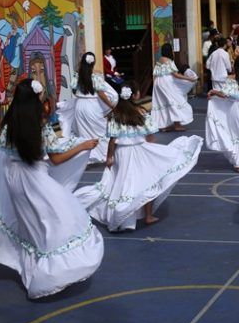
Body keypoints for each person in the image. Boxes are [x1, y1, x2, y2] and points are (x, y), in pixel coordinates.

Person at [0, 79, 104, 299]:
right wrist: (83, 146)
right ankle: (53, 271)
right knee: (59, 217)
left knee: (31, 225)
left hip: (14, 180)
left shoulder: (8, 127)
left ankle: (35, 271)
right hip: (34, 179)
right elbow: (56, 159)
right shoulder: (40, 127)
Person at [76, 83, 203, 231]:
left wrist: (109, 157)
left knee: (123, 182)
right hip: (140, 151)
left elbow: (112, 140)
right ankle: (147, 215)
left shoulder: (115, 114)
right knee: (147, 181)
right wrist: (151, 148)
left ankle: (122, 216)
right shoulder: (141, 112)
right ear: (135, 95)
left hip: (121, 153)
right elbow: (150, 136)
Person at [57, 52, 116, 164]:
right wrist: (111, 105)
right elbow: (101, 93)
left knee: (84, 132)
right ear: (93, 63)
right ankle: (100, 154)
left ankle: (87, 156)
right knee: (99, 130)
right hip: (93, 105)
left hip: (80, 105)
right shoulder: (96, 76)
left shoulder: (77, 75)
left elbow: (74, 90)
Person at [151, 43, 197, 132]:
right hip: (166, 83)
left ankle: (163, 126)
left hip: (158, 82)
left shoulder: (159, 60)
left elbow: (155, 73)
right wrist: (189, 78)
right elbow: (175, 75)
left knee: (163, 103)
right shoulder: (168, 61)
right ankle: (177, 125)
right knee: (175, 101)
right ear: (169, 51)